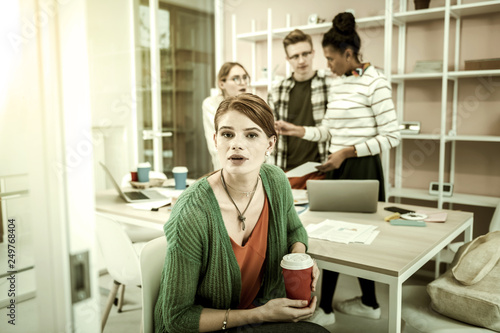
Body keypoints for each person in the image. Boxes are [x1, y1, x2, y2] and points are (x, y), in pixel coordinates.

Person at [154, 93, 328, 333]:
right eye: (227, 134)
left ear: (270, 144)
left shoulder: (276, 181)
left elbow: (294, 231)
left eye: (251, 135)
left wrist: (300, 259)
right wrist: (261, 314)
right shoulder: (192, 212)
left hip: (256, 311)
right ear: (216, 140)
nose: (237, 144)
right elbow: (177, 319)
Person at [276, 12, 401, 324]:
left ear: (348, 54)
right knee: (327, 237)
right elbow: (327, 131)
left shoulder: (376, 82)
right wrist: (296, 130)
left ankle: (332, 308)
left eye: (331, 59)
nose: (327, 65)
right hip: (336, 167)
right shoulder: (339, 83)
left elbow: (392, 135)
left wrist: (347, 152)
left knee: (361, 237)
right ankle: (347, 305)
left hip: (361, 168)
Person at [267, 29, 334, 189]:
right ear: (287, 59)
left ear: (313, 53)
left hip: (321, 169)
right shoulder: (277, 90)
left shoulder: (330, 85)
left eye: (305, 54)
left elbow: (335, 128)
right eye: (295, 56)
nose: (301, 60)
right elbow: (269, 133)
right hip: (286, 170)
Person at [203, 62, 250, 171]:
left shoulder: (252, 105)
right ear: (222, 84)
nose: (242, 83)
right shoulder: (211, 104)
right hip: (224, 168)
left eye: (245, 77)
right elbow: (217, 145)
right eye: (236, 78)